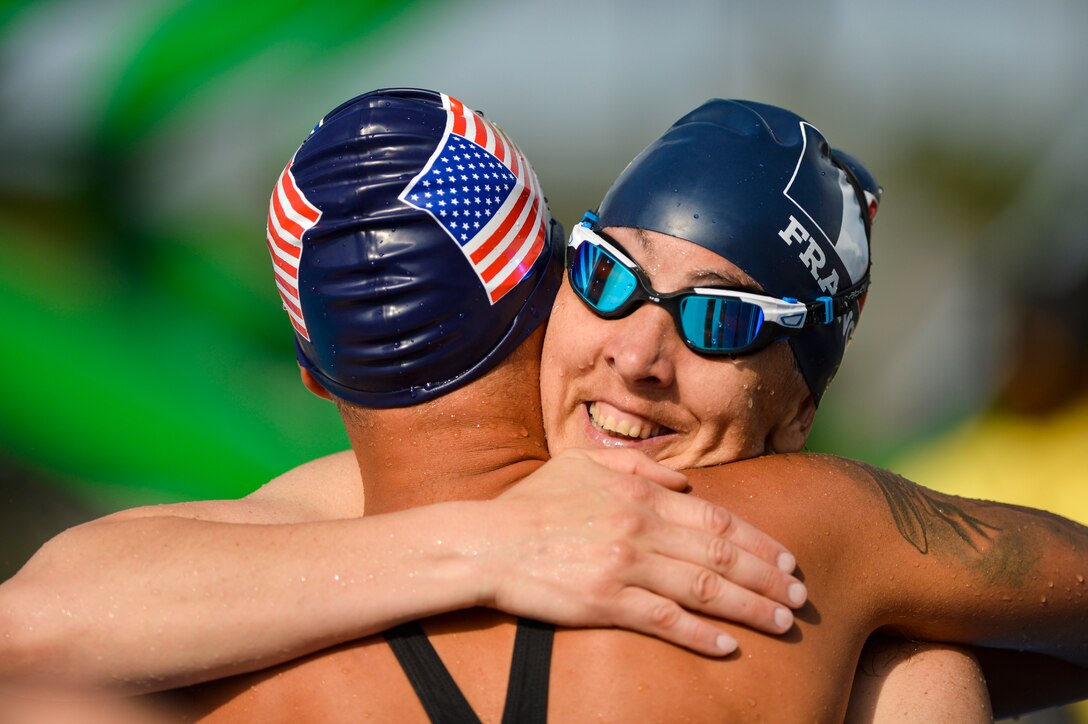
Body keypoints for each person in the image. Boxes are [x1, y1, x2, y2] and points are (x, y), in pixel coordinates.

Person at [3, 90, 1085, 718]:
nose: (637, 357)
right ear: (538, 304)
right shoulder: (825, 539)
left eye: (722, 321)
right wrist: (490, 544)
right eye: (609, 278)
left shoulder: (207, 644)